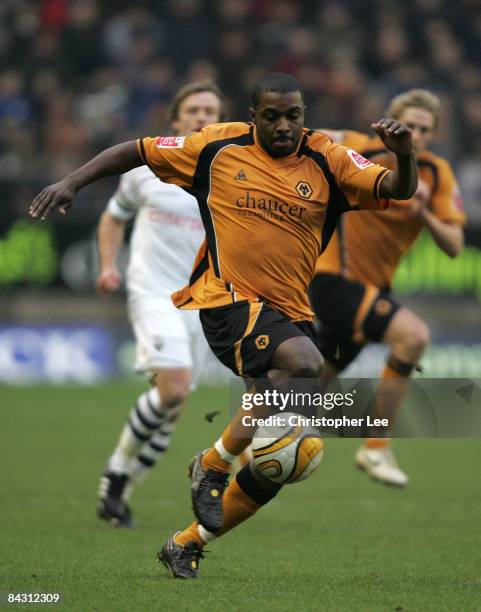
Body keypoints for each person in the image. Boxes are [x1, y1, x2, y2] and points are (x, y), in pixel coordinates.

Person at [29, 72, 417, 577]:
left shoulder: (329, 157)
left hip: (291, 313)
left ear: (305, 116)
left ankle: (187, 542)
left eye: (293, 116)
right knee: (303, 364)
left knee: (282, 462)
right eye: (272, 116)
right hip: (226, 300)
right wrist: (72, 182)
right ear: (252, 116)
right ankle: (213, 462)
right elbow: (137, 150)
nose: (284, 126)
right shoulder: (216, 147)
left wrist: (404, 154)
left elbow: (397, 189)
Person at [310, 89, 465, 486]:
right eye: (409, 125)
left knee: (309, 382)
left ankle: (228, 453)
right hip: (332, 278)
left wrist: (425, 211)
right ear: (392, 124)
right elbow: (307, 135)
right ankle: (376, 448)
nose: (416, 134)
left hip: (370, 288)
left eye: (425, 129)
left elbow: (454, 245)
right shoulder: (359, 147)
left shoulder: (436, 173)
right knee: (413, 337)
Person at [95, 80, 225, 527]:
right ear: (176, 119)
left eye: (211, 110)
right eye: (194, 109)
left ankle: (120, 492)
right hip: (153, 291)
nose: (202, 116)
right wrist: (108, 265)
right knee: (172, 388)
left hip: (201, 302)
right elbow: (113, 218)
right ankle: (114, 475)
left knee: (174, 404)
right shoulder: (146, 168)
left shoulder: (229, 170)